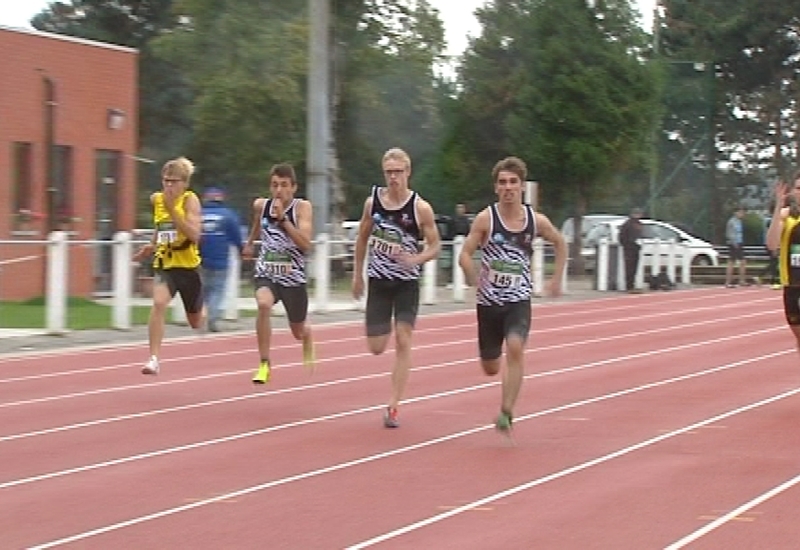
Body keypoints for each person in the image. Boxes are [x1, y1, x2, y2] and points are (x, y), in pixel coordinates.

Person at [458, 156, 567, 434]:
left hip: (518, 300)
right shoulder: (486, 219)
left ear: (522, 186)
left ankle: (506, 411)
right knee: (491, 367)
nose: (508, 188)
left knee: (516, 346)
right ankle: (495, 368)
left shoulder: (535, 221)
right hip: (488, 303)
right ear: (496, 187)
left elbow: (560, 242)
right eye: (503, 182)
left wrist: (556, 279)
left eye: (513, 182)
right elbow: (465, 254)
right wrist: (473, 278)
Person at [352, 147, 441, 428]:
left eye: (398, 172)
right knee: (376, 347)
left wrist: (416, 258)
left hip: (406, 283)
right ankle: (384, 323)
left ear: (408, 172)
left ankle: (393, 406)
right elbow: (362, 239)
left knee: (404, 339)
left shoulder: (420, 208)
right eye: (389, 172)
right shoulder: (373, 204)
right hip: (379, 282)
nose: (393, 178)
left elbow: (436, 245)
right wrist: (357, 275)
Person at [243, 163, 314, 384]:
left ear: (293, 187)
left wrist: (283, 219)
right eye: (274, 185)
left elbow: (305, 244)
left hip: (293, 279)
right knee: (263, 304)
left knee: (298, 332)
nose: (278, 190)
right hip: (267, 272)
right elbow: (257, 222)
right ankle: (264, 363)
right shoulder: (261, 205)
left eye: (284, 185)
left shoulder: (302, 208)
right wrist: (249, 243)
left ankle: (307, 333)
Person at [133, 156, 204, 375]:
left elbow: (194, 235)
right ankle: (153, 358)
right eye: (166, 181)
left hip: (188, 266)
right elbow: (160, 227)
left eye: (174, 181)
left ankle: (203, 305)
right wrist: (151, 245)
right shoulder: (157, 200)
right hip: (166, 263)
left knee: (196, 322)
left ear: (185, 183)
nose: (169, 186)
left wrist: (174, 209)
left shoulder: (190, 200)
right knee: (159, 302)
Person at [200, 187, 243, 332]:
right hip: (220, 260)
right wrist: (242, 250)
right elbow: (237, 237)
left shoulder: (198, 214)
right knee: (217, 290)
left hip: (200, 259)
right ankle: (212, 319)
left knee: (203, 290)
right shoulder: (228, 215)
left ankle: (201, 316)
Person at [766, 175, 800, 355]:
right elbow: (772, 244)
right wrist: (778, 207)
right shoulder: (787, 217)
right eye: (798, 188)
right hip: (792, 286)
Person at [618, 207, 644, 293]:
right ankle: (629, 286)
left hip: (636, 248)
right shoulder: (627, 224)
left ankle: (632, 285)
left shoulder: (639, 224)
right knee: (629, 267)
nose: (638, 215)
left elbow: (640, 235)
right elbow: (622, 237)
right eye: (637, 214)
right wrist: (627, 245)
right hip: (629, 248)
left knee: (634, 267)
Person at [725, 206, 747, 287]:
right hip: (733, 244)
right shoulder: (731, 222)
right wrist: (734, 243)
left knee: (742, 262)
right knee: (732, 262)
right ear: (735, 213)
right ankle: (728, 281)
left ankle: (741, 280)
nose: (742, 214)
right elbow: (729, 234)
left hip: (740, 242)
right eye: (740, 212)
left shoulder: (739, 222)